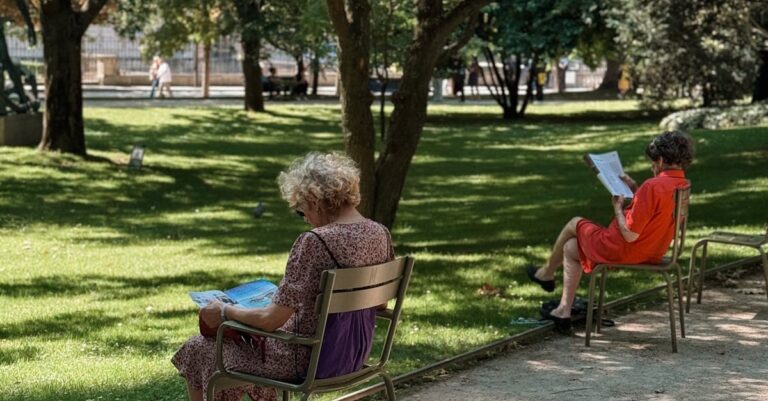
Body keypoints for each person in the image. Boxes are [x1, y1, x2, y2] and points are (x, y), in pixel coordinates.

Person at [172, 152, 395, 401]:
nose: (307, 220)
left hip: (307, 362)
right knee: (233, 348)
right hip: (353, 355)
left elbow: (270, 321)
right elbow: (381, 304)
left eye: (302, 211)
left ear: (315, 200)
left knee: (199, 348)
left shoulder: (315, 241)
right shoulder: (380, 233)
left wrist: (225, 311)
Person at [526, 131, 694, 332]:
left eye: (652, 162)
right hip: (653, 251)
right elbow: (656, 213)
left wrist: (617, 207)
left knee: (574, 222)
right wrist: (635, 190)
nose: (652, 166)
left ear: (659, 159)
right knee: (571, 248)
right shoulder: (682, 183)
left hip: (623, 248)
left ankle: (546, 273)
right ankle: (563, 310)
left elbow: (630, 234)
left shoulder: (653, 186)